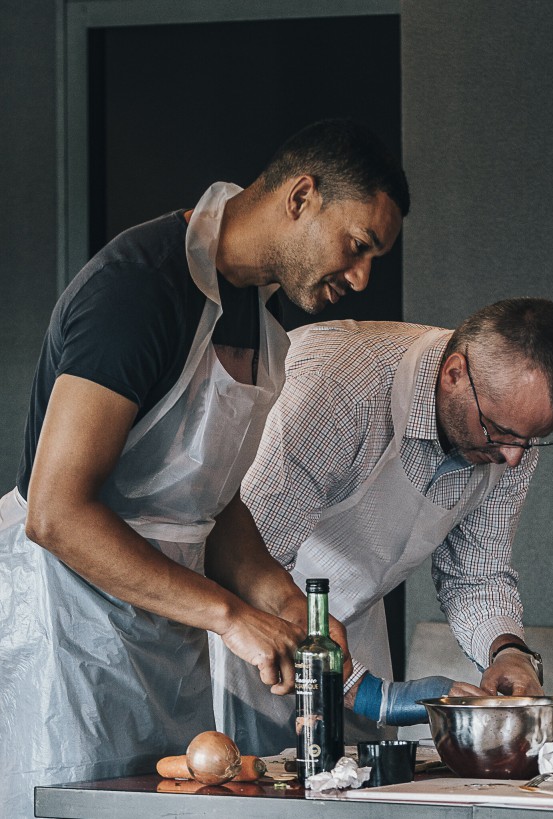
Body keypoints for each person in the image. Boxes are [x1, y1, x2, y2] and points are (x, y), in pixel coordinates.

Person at [0, 118, 408, 818]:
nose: (363, 276)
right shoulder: (138, 288)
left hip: (164, 636)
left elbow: (210, 510)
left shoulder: (262, 326)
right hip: (64, 633)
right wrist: (230, 614)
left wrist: (279, 601)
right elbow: (56, 511)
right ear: (302, 196)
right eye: (357, 245)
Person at [213, 298, 553, 754]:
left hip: (355, 630)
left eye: (533, 439)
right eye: (500, 433)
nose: (514, 457)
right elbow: (250, 558)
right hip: (253, 635)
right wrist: (370, 694)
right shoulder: (340, 385)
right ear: (453, 375)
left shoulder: (512, 432)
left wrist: (508, 652)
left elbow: (477, 574)